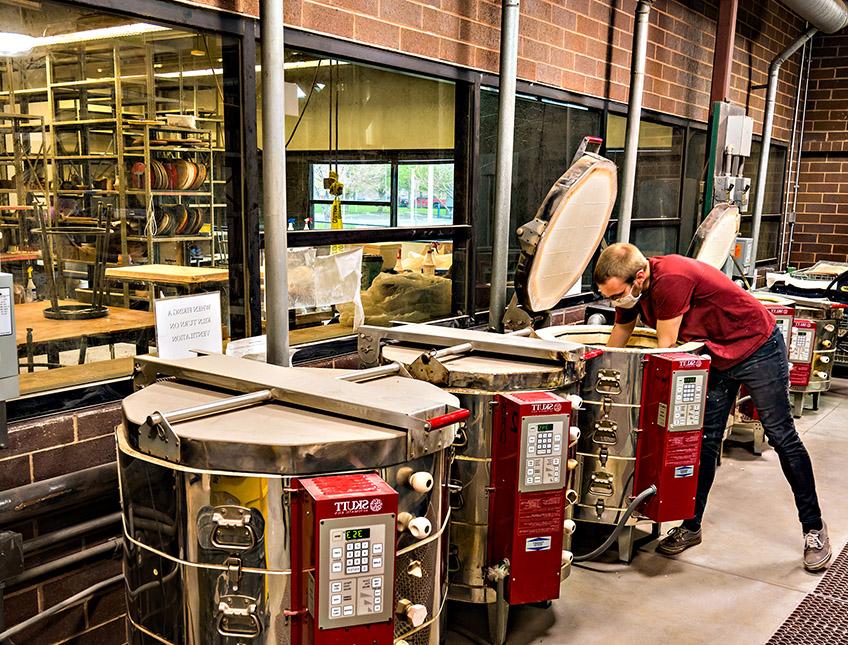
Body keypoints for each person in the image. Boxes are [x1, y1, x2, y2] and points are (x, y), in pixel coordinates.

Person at [593, 242, 830, 571]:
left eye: (617, 295)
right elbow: (621, 329)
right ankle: (692, 526)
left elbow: (667, 349)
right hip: (715, 355)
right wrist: (601, 369)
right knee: (703, 443)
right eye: (610, 297)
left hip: (756, 347)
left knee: (782, 437)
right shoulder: (633, 286)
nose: (616, 301)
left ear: (640, 275)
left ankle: (814, 528)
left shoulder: (670, 279)